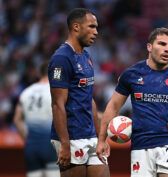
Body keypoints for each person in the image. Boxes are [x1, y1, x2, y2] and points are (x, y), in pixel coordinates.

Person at [96, 27, 168, 177]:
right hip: (140, 148)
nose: (167, 49)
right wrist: (102, 140)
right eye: (162, 44)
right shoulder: (132, 74)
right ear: (149, 47)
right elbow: (113, 106)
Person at [47, 8, 109, 177]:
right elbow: (57, 104)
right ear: (76, 27)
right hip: (72, 138)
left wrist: (100, 137)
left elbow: (90, 99)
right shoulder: (61, 58)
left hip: (90, 135)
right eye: (91, 26)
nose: (96, 32)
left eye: (96, 27)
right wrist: (65, 145)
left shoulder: (86, 56)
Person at [13, 61, 60, 177]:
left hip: (32, 145)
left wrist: (27, 138)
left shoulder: (26, 92)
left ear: (39, 74)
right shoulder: (56, 91)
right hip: (50, 145)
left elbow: (17, 119)